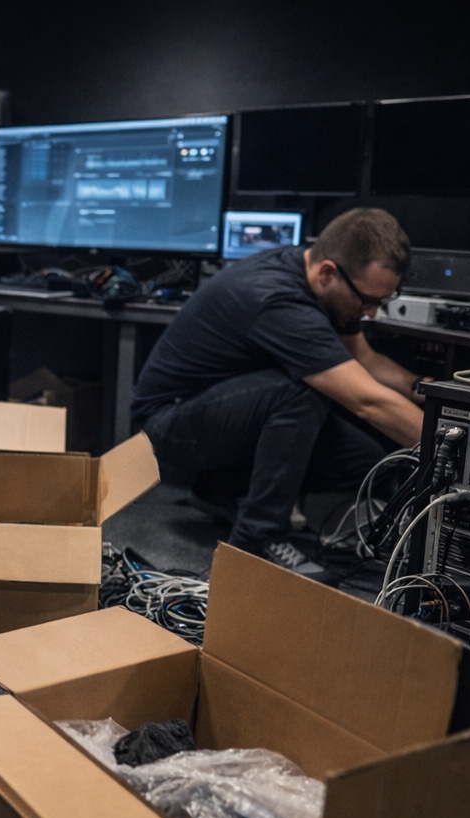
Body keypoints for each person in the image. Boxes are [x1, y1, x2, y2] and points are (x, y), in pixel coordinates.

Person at [130, 208, 423, 578]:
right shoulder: (277, 298)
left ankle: (220, 489)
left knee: (368, 464)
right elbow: (367, 401)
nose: (372, 313)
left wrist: (429, 390)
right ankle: (256, 540)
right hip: (165, 427)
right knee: (300, 392)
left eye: (381, 302)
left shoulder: (317, 277)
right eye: (366, 301)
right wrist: (453, 451)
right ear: (328, 272)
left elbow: (364, 359)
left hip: (225, 413)